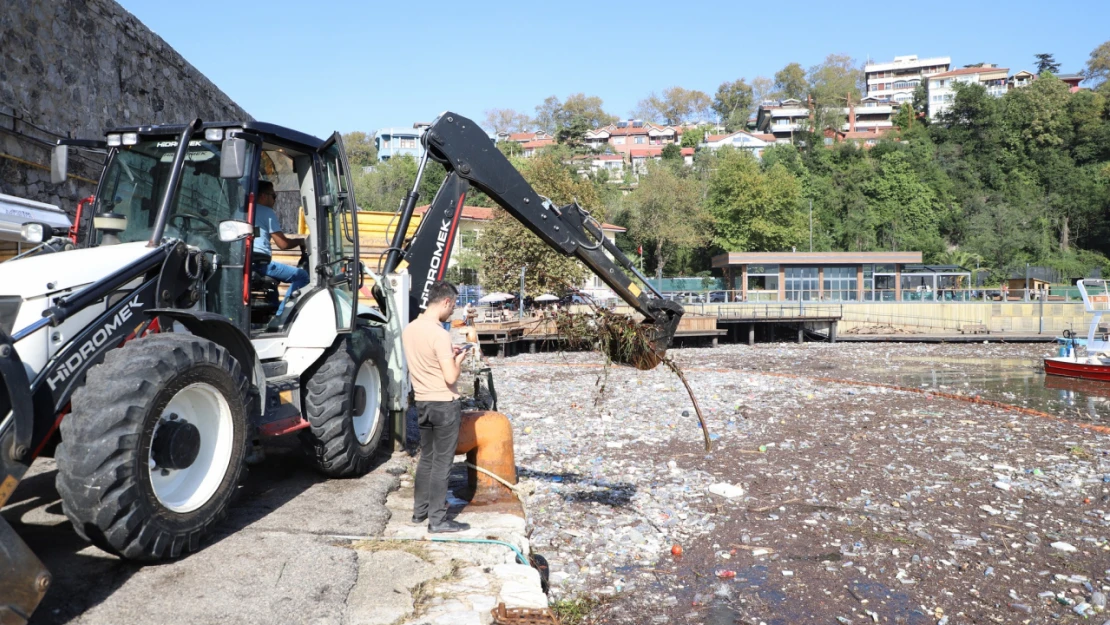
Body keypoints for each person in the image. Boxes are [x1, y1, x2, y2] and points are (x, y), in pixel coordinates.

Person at [402, 280, 471, 533]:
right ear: (446, 302)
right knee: (443, 464)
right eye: (452, 307)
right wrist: (459, 359)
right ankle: (438, 521)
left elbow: (427, 360)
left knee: (427, 459)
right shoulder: (440, 334)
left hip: (422, 401)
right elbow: (450, 377)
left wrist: (446, 354)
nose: (452, 311)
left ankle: (419, 513)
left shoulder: (410, 329)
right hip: (444, 404)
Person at [253, 181, 309, 316]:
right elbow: (283, 244)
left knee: (273, 283)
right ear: (263, 196)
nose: (275, 200)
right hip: (260, 264)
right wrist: (301, 241)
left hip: (244, 262)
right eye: (274, 196)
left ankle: (272, 312)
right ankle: (282, 315)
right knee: (302, 276)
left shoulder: (243, 210)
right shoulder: (266, 212)